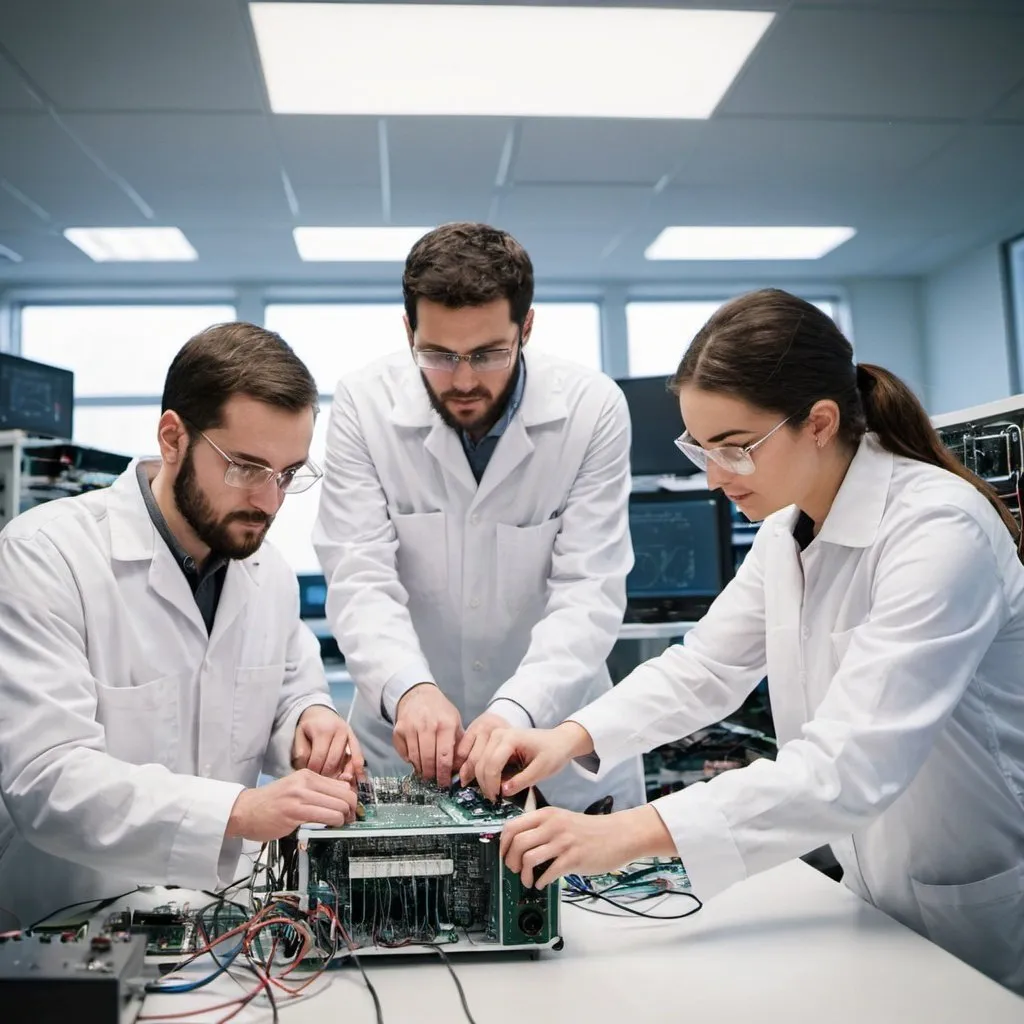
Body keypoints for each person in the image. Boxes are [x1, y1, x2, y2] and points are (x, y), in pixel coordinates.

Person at [466, 289, 1024, 995]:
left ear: (820, 422)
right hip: (873, 902)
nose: (714, 477)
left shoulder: (941, 531)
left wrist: (624, 834)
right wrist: (567, 736)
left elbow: (848, 766)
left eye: (735, 449)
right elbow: (705, 668)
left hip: (979, 918)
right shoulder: (786, 532)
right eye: (700, 447)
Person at [0, 322, 363, 931]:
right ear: (173, 438)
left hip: (223, 923)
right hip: (68, 925)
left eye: (288, 473)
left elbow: (288, 689)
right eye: (246, 467)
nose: (270, 502)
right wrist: (240, 811)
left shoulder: (264, 571)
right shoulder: (45, 555)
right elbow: (47, 778)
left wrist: (310, 722)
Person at [313, 222, 643, 810]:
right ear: (407, 329)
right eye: (438, 354)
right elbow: (358, 575)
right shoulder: (364, 405)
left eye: (489, 353)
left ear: (528, 327)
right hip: (402, 737)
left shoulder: (591, 410)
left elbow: (588, 591)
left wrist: (518, 708)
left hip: (554, 727)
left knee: (595, 900)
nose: (464, 380)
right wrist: (408, 687)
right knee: (399, 900)